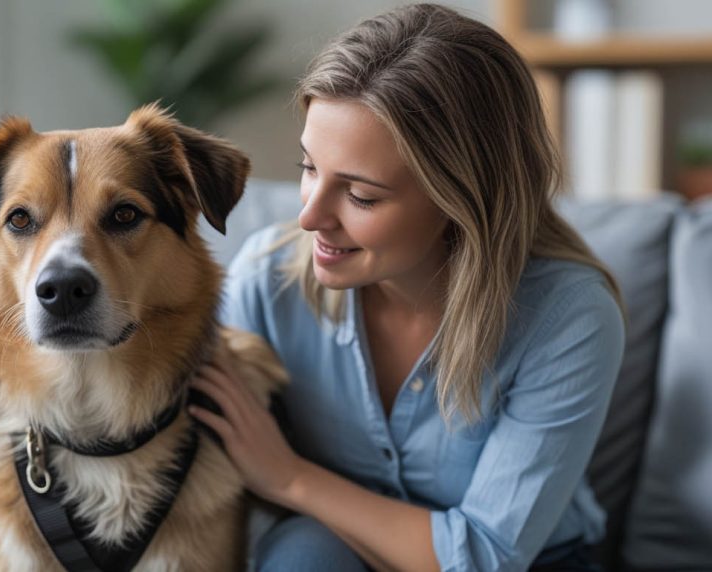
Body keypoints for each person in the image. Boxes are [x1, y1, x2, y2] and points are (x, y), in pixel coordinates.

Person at [186, 3, 626, 571]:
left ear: (461, 199)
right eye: (309, 167)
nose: (310, 217)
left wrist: (291, 478)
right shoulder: (267, 279)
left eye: (361, 196)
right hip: (335, 545)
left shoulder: (569, 315)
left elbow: (485, 556)